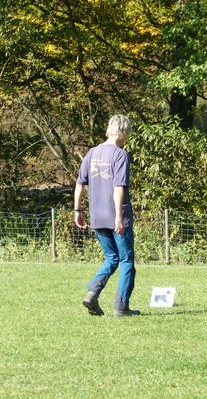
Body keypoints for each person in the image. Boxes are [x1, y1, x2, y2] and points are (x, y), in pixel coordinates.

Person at [74, 114, 140, 317]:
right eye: (128, 133)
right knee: (126, 260)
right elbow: (119, 186)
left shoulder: (92, 153)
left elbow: (80, 183)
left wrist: (77, 210)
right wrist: (119, 216)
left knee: (111, 258)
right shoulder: (120, 155)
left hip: (97, 215)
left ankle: (92, 293)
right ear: (123, 131)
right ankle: (121, 307)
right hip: (116, 216)